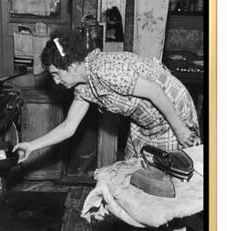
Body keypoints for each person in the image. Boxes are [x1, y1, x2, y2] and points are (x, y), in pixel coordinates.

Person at [13, 30, 200, 163]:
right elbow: (68, 127)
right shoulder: (83, 88)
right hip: (145, 120)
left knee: (167, 176)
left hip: (170, 108)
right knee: (134, 175)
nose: (55, 81)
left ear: (70, 66)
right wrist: (31, 145)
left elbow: (155, 92)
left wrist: (181, 130)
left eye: (56, 74)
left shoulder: (106, 69)